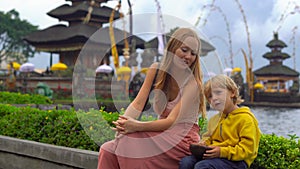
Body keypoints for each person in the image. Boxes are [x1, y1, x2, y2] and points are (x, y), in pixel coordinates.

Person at [97, 27, 206, 169]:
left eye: (193, 53)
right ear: (172, 48)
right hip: (161, 135)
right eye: (184, 50)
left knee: (130, 139)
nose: (188, 56)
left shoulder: (193, 84)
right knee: (107, 149)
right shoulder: (156, 71)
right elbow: (138, 103)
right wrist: (122, 126)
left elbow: (171, 121)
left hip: (182, 140)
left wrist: (136, 126)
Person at [179, 74, 261, 169]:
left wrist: (222, 152)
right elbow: (209, 138)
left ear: (232, 93)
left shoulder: (246, 119)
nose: (214, 98)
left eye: (218, 92)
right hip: (215, 157)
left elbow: (248, 150)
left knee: (203, 166)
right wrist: (203, 144)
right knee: (186, 162)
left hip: (237, 161)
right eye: (210, 96)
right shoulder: (214, 120)